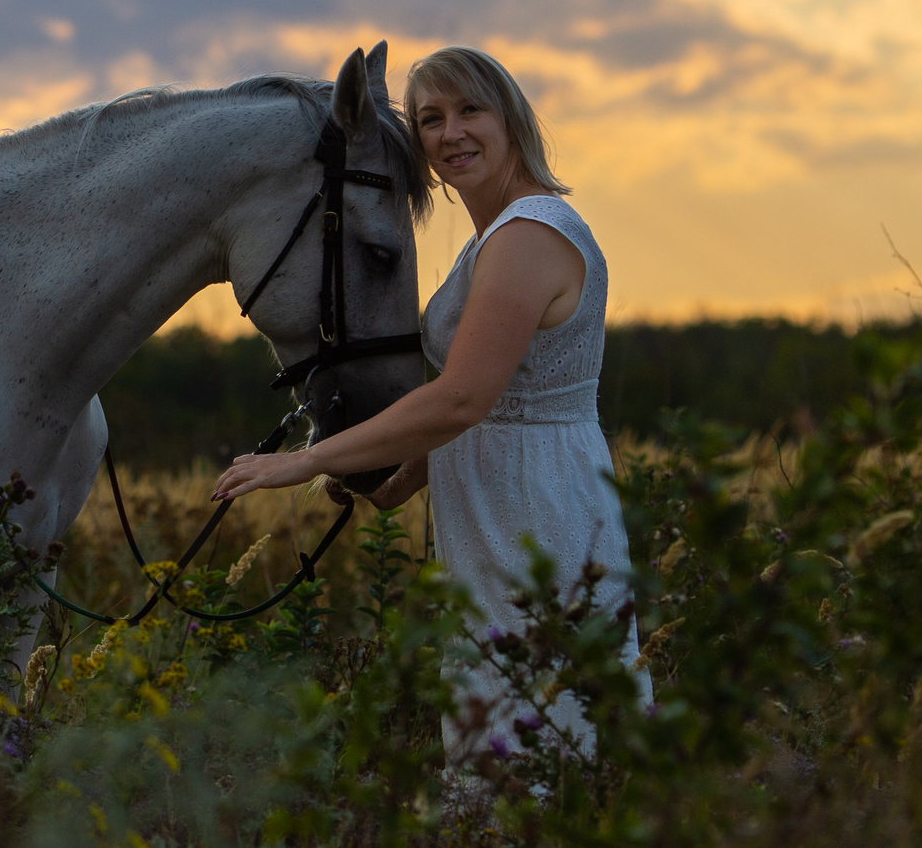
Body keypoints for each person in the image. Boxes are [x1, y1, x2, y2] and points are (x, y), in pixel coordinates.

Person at [208, 44, 644, 758]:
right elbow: (496, 399)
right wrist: (402, 478)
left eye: (470, 110)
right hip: (497, 496)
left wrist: (304, 460)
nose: (451, 133)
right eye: (431, 118)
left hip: (536, 503)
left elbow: (462, 398)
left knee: (546, 720)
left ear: (510, 117)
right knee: (508, 717)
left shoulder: (530, 234)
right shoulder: (495, 238)